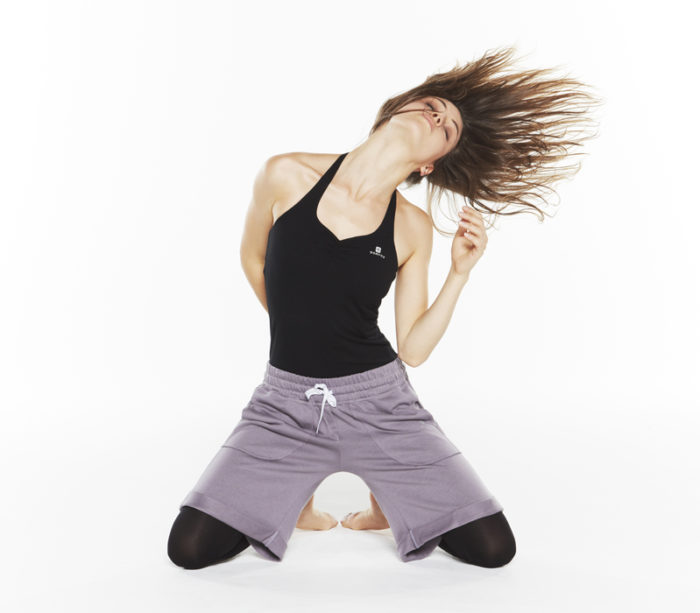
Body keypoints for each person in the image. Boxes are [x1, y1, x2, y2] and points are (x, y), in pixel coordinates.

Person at [167, 46, 602, 570]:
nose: (436, 116)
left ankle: (383, 501)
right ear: (398, 106)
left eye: (447, 128)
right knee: (188, 550)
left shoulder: (413, 227)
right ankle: (296, 491)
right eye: (434, 105)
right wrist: (297, 328)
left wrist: (459, 273)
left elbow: (413, 348)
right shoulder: (284, 173)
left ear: (430, 163)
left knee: (494, 550)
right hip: (282, 405)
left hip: (383, 406)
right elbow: (252, 256)